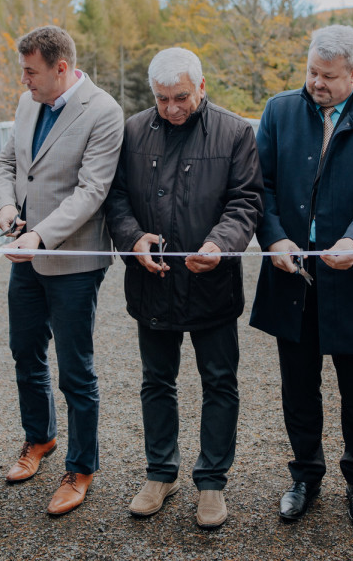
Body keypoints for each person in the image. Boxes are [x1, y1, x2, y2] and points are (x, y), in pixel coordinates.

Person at [249, 24, 353, 527]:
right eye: (313, 72)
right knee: (298, 386)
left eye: (330, 76)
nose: (317, 83)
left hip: (352, 275)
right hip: (290, 273)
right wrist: (272, 238)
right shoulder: (278, 110)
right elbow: (261, 186)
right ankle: (305, 475)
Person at [105, 47, 263, 529]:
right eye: (161, 99)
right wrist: (132, 240)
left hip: (211, 282)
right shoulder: (132, 131)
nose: (171, 108)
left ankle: (212, 481)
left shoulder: (236, 132)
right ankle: (160, 472)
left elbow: (246, 202)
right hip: (152, 282)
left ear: (200, 86)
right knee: (157, 381)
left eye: (180, 97)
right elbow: (115, 199)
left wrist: (221, 243)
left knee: (219, 381)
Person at [0, 25, 124, 516]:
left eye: (31, 71)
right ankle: (39, 438)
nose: (23, 80)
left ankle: (81, 467)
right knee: (24, 349)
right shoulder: (29, 103)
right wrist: (6, 208)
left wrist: (41, 235)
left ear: (60, 69)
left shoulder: (105, 112)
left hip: (73, 260)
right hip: (25, 253)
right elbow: (7, 164)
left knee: (76, 369)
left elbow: (93, 191)